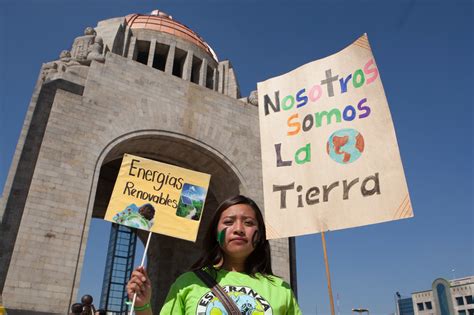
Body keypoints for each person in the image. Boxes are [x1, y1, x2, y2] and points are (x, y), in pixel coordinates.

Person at [127, 195, 302, 314]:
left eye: (248, 223)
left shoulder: (281, 290)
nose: (239, 229)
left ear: (260, 234)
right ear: (215, 232)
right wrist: (143, 306)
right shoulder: (187, 283)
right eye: (228, 222)